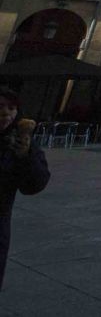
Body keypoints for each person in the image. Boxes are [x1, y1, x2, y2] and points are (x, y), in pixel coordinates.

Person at [0, 87, 49, 290]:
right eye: (0, 107)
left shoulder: (21, 144)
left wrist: (26, 157)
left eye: (11, 108)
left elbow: (34, 185)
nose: (6, 114)